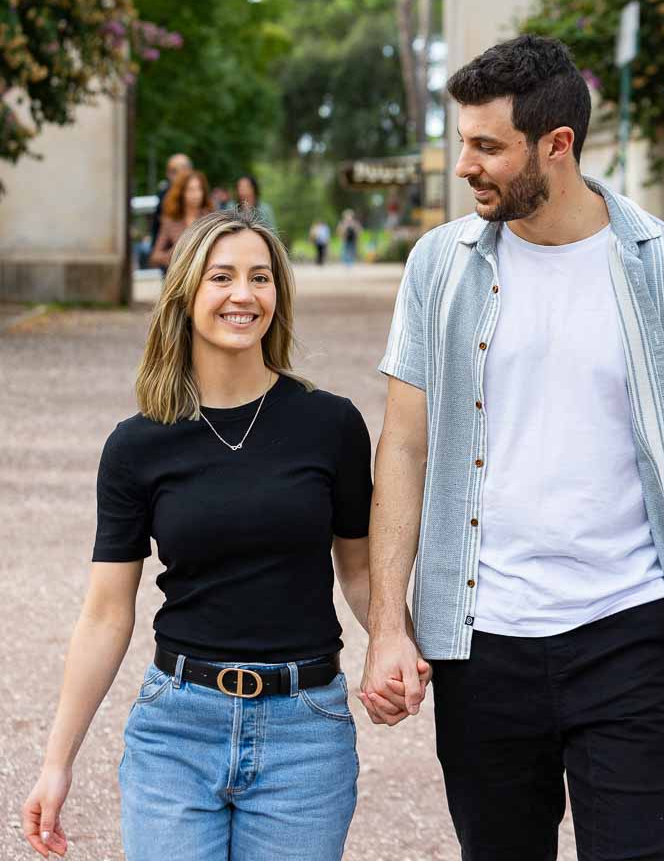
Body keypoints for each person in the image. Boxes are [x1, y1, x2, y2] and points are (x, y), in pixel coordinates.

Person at [361, 34, 664, 861]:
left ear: (557, 145)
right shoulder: (440, 263)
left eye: (487, 147)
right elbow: (402, 446)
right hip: (481, 638)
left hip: (629, 631)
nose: (465, 164)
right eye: (462, 141)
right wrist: (387, 625)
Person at [21, 207, 400, 861]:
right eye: (222, 277)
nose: (243, 295)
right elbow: (107, 615)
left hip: (305, 732)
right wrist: (57, 761)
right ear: (186, 294)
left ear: (278, 296)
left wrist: (395, 643)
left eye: (260, 278)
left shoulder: (329, 424)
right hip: (176, 731)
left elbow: (361, 571)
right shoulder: (136, 445)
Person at [149, 168, 213, 270]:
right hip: (181, 278)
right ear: (181, 193)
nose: (196, 194)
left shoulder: (210, 218)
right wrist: (176, 254)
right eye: (191, 190)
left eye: (199, 189)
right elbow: (155, 256)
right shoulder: (171, 221)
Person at [149, 153, 192, 269]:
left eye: (176, 171)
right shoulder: (164, 197)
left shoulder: (205, 211)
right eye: (172, 171)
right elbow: (157, 249)